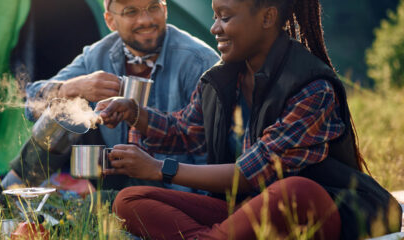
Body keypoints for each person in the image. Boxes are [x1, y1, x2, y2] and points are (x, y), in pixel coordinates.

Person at [96, 0, 403, 238]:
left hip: (318, 209)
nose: (215, 28)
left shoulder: (311, 88)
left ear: (267, 17)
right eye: (214, 16)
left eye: (225, 17)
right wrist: (136, 114)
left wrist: (160, 169)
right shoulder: (219, 80)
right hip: (244, 209)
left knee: (294, 189)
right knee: (129, 201)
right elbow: (185, 131)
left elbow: (252, 173)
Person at [1, 0, 220, 192]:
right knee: (65, 107)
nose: (145, 20)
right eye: (131, 11)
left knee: (102, 211)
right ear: (110, 21)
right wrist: (74, 87)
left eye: (153, 7)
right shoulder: (99, 54)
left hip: (172, 183)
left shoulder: (198, 62)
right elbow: (32, 104)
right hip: (113, 173)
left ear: (165, 10)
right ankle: (10, 189)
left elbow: (211, 151)